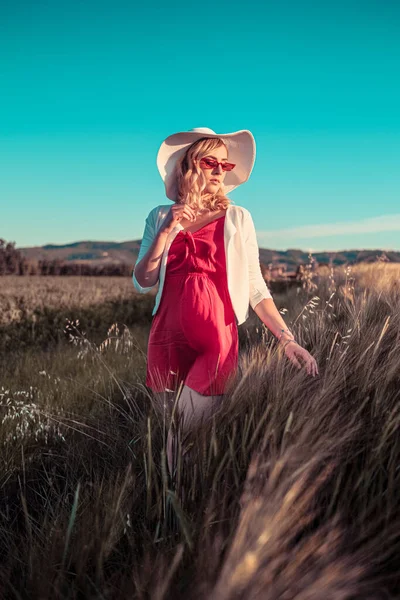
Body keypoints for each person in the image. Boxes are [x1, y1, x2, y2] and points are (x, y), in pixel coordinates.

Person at [133, 127, 319, 475]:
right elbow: (143, 281)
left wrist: (287, 340)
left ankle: (184, 512)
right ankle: (173, 512)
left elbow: (255, 287)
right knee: (171, 440)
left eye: (225, 164)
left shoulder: (238, 218)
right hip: (165, 339)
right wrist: (165, 233)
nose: (220, 170)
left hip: (215, 341)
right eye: (211, 162)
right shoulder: (159, 216)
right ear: (190, 165)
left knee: (184, 433)